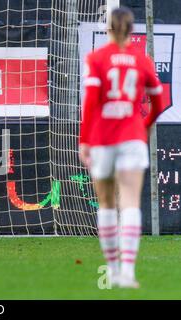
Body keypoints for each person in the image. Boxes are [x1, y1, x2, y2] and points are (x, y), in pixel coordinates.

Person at [79, 7, 165, 288]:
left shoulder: (97, 58)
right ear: (131, 29)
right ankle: (128, 272)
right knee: (130, 202)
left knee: (106, 203)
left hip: (103, 138)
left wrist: (84, 141)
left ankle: (113, 270)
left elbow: (90, 103)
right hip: (131, 137)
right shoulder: (142, 60)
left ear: (109, 29)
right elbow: (159, 101)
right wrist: (145, 124)